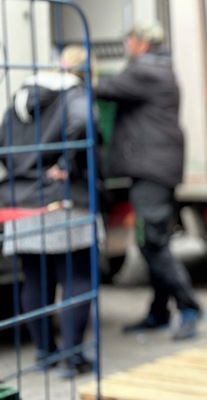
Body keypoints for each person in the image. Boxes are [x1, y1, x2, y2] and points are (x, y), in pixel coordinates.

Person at [95, 20, 202, 341]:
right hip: (156, 168)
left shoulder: (144, 70)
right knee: (156, 242)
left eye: (129, 40)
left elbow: (103, 89)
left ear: (141, 43)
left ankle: (190, 307)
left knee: (151, 243)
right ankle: (159, 312)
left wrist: (77, 73)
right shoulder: (159, 67)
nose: (128, 46)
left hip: (152, 170)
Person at [0, 45, 102, 377]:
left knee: (34, 278)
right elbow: (84, 121)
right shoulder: (73, 93)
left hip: (21, 200)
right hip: (63, 200)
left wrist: (23, 171)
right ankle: (73, 357)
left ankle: (46, 353)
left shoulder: (20, 96)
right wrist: (65, 162)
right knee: (77, 276)